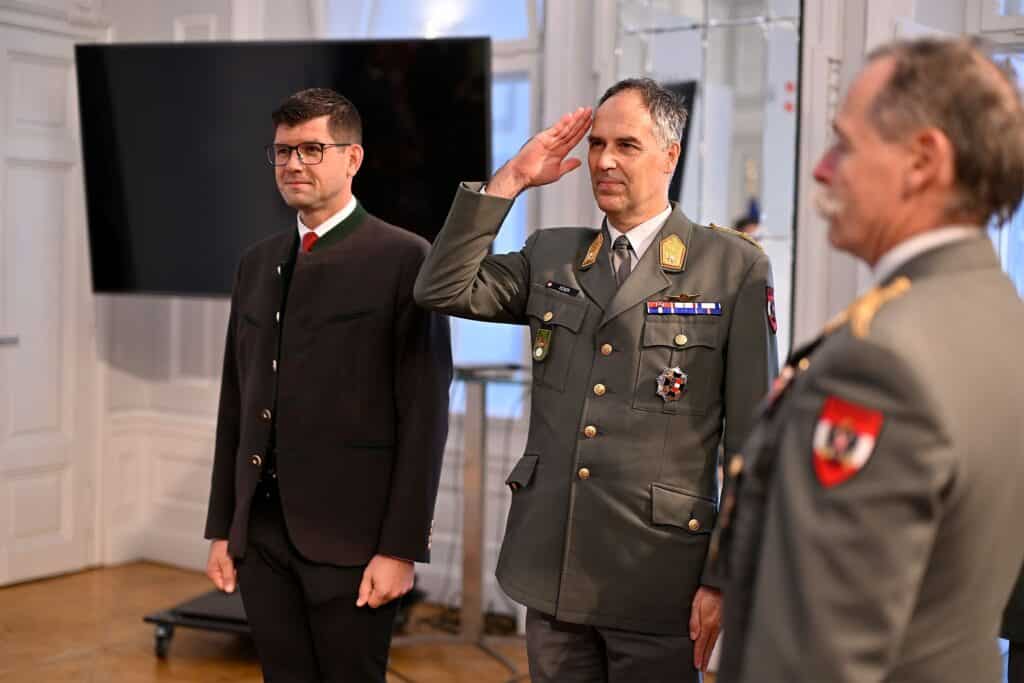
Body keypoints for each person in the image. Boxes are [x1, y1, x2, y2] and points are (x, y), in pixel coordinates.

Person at [415, 78, 778, 682]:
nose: (604, 161)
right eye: (597, 144)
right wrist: (512, 179)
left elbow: (752, 445)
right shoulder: (552, 255)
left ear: (670, 155)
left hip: (658, 573)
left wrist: (724, 576)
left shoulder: (731, 267)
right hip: (554, 564)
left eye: (627, 145)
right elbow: (441, 287)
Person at [713, 38, 1024, 683]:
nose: (823, 170)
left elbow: (816, 651)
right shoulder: (999, 311)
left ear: (923, 161)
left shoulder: (880, 364)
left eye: (845, 145)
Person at [203, 88, 452, 682]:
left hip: (354, 542)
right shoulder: (256, 263)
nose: (294, 164)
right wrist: (223, 528)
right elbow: (236, 403)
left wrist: (400, 549)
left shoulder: (406, 259)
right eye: (283, 151)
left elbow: (424, 417)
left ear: (352, 158)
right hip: (261, 537)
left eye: (312, 149)